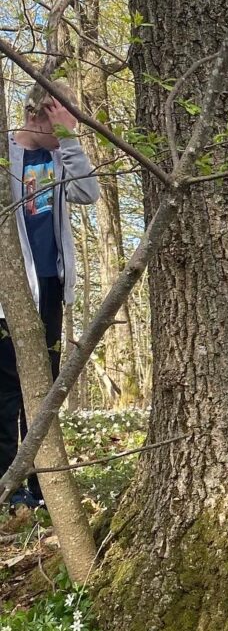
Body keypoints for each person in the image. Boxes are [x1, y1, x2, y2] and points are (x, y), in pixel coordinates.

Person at [2, 85, 100, 510]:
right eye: (61, 119)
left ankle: (45, 488)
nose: (67, 128)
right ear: (38, 115)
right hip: (9, 292)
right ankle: (9, 489)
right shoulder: (5, 155)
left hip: (50, 286)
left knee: (43, 389)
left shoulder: (61, 156)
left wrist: (70, 139)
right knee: (6, 391)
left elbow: (88, 193)